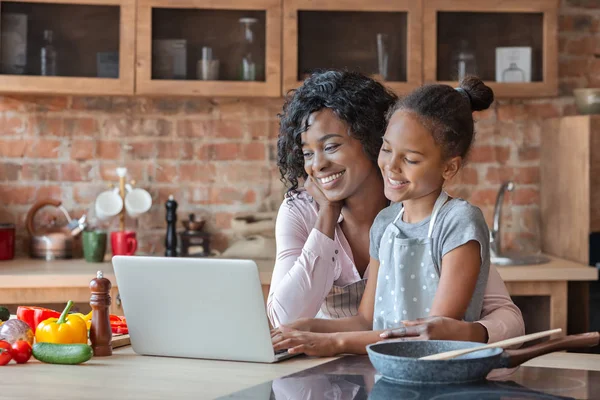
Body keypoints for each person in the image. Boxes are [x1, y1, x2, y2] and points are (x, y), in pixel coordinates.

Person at [270, 71, 523, 356]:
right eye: (307, 153)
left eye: (331, 146)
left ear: (369, 140)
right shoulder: (381, 223)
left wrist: (333, 342)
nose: (317, 166)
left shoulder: (445, 217)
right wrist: (327, 212)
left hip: (424, 368)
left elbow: (435, 335)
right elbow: (355, 321)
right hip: (366, 368)